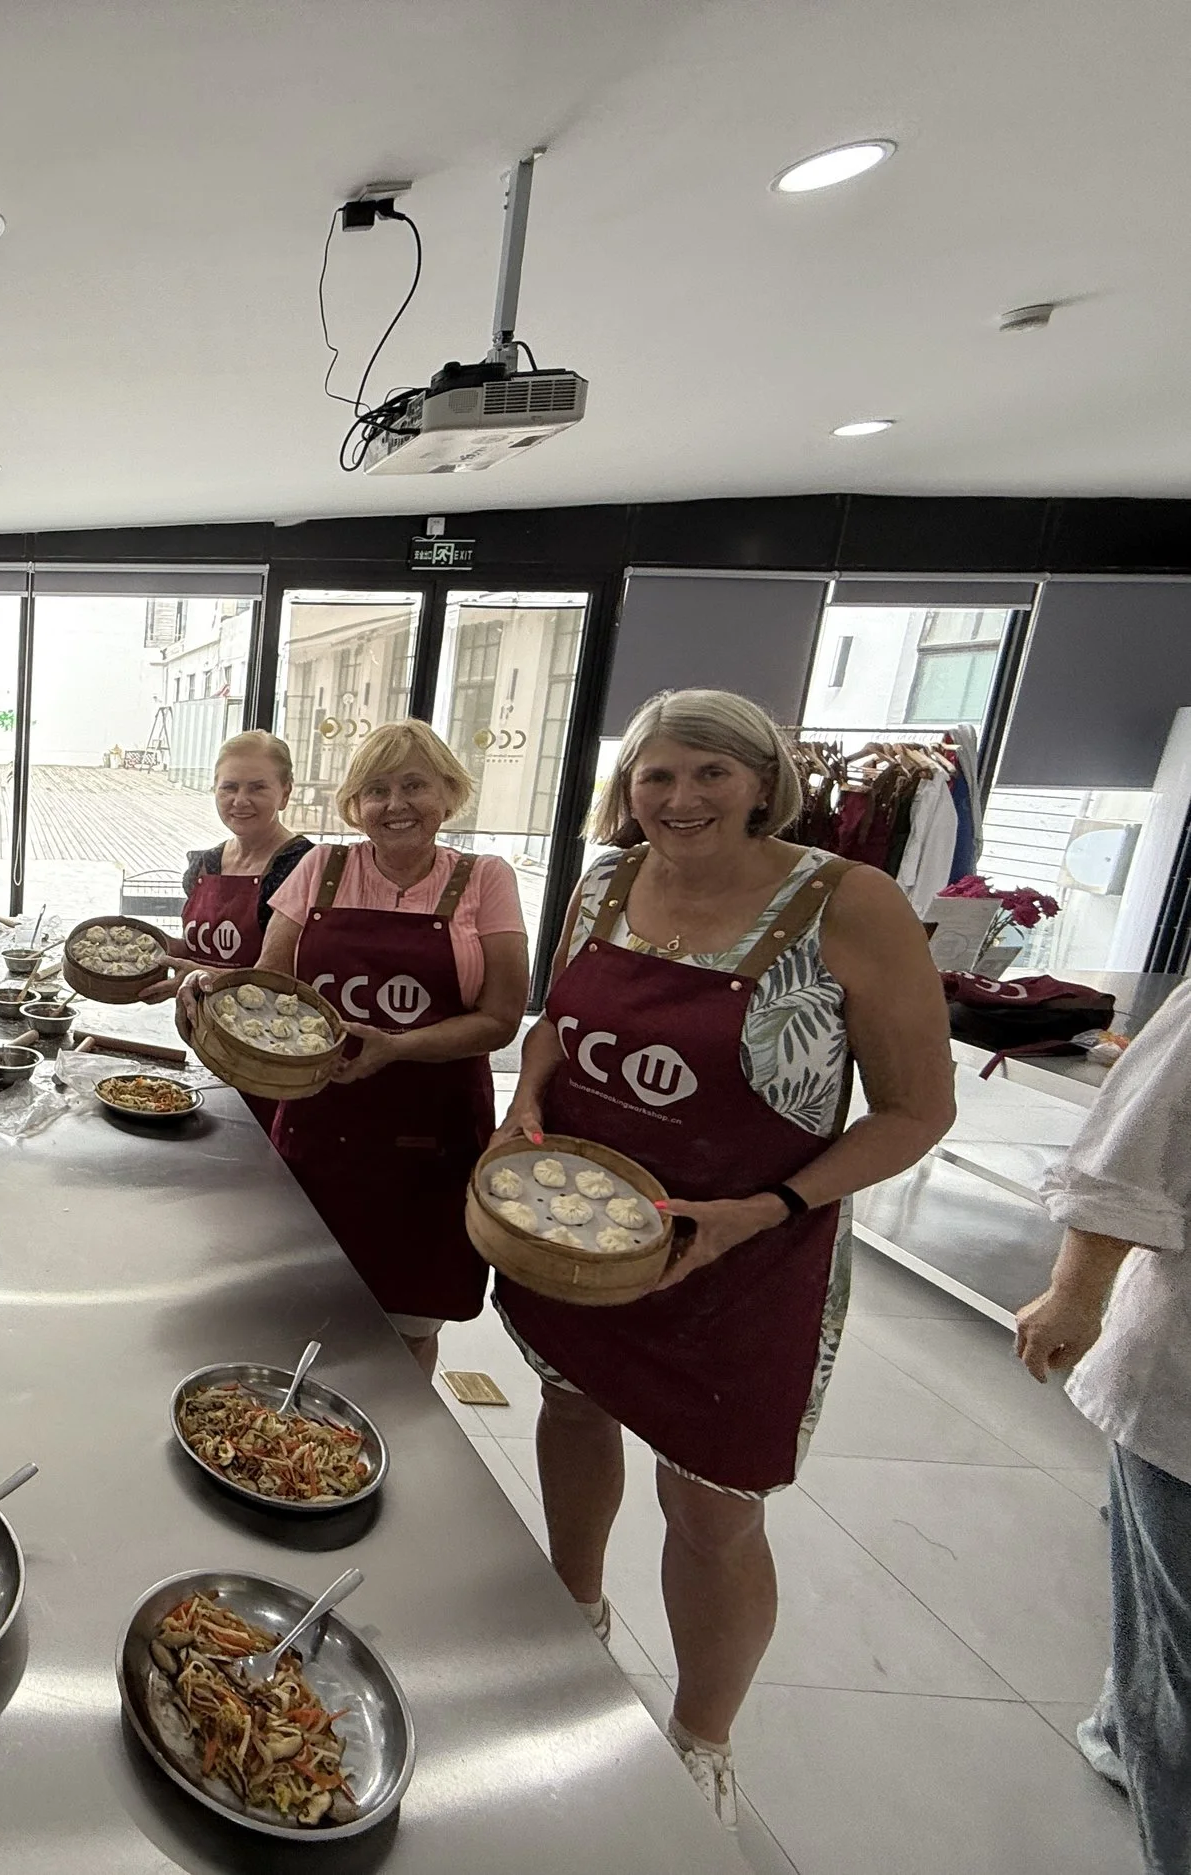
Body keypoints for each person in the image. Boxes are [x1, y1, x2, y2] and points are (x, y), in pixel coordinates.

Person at [495, 687, 953, 1830]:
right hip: (585, 1231)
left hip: (747, 1260)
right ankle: (573, 1610)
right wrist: (525, 1102)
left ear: (761, 783)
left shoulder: (847, 902)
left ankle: (702, 1734)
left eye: (710, 773)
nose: (680, 797)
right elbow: (555, 1025)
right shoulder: (605, 882)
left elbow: (915, 1111)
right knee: (570, 1407)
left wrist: (767, 1207)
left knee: (712, 1508)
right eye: (656, 774)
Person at [177, 721, 527, 1373]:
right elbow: (271, 981)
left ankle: (399, 1432)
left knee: (408, 1327)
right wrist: (204, 987)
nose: (395, 805)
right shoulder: (322, 868)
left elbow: (502, 1017)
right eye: (376, 790)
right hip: (320, 1127)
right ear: (354, 803)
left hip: (431, 1139)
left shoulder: (485, 878)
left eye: (414, 786)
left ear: (447, 792)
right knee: (297, 1307)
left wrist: (396, 1045)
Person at [1013, 979, 1190, 1875]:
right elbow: (1131, 1146)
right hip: (1182, 1396)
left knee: (1166, 1648)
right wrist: (1074, 1293)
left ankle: (1124, 1731)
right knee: (1177, 1662)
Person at [141, 730, 313, 1132]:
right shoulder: (206, 864)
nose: (240, 800)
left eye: (257, 787)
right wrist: (147, 952)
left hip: (267, 1050)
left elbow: (285, 979)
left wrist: (200, 977)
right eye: (229, 787)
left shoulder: (303, 866)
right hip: (204, 1035)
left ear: (285, 793)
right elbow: (200, 945)